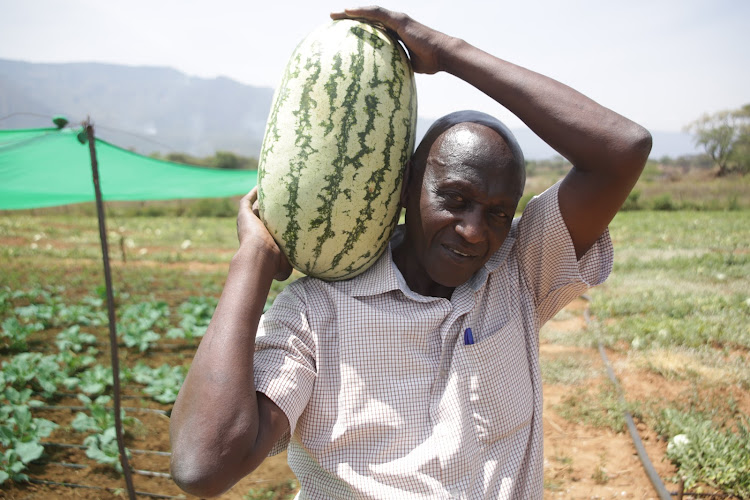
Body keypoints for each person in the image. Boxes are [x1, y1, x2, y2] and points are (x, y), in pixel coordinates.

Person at [169, 6, 651, 499]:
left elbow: (623, 149)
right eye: (456, 200)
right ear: (404, 187)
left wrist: (448, 53)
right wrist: (253, 260)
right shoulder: (317, 311)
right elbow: (203, 466)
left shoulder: (520, 270)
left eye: (498, 213)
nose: (473, 232)